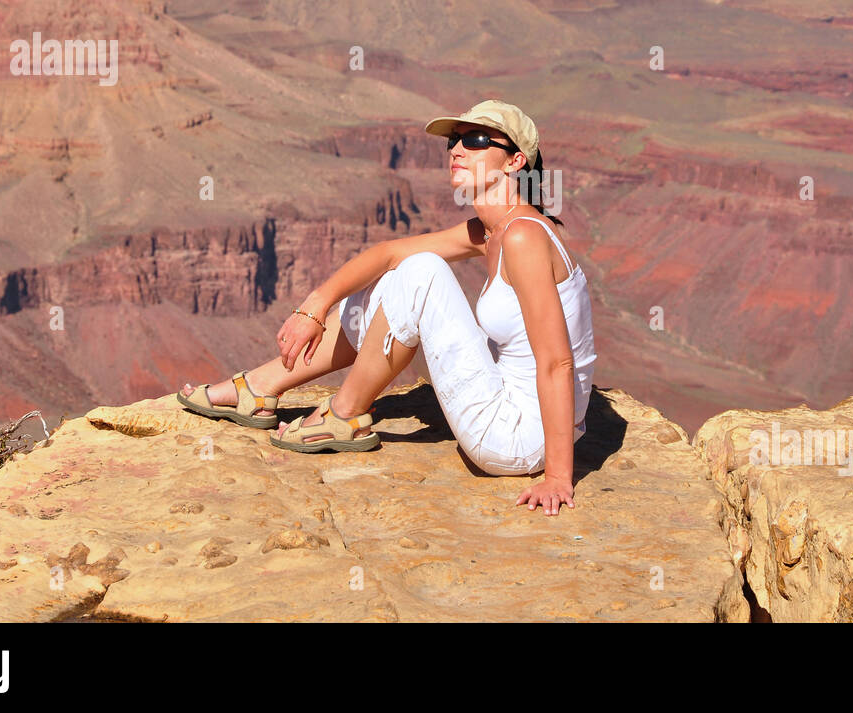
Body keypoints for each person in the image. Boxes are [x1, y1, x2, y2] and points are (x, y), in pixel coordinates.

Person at [174, 100, 597, 515]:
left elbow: (557, 362)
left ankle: (344, 415)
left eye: (476, 139)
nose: (456, 150)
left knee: (422, 274)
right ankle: (260, 388)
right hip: (512, 408)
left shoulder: (523, 238)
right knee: (397, 279)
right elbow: (390, 253)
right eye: (454, 140)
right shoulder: (493, 231)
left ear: (514, 161)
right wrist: (315, 305)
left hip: (519, 437)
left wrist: (559, 476)